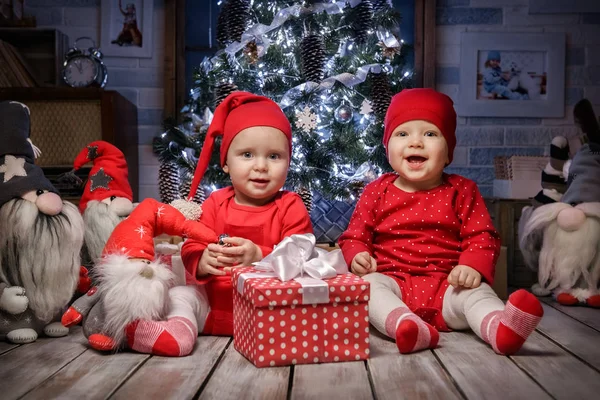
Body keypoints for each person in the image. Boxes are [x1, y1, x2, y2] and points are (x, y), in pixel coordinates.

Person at [338, 88, 543, 355]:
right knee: (368, 288)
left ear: (448, 152)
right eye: (402, 134)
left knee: (477, 295)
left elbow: (483, 236)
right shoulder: (376, 191)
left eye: (430, 134)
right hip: (393, 283)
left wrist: (472, 266)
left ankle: (500, 327)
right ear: (388, 148)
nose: (415, 143)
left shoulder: (462, 190)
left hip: (449, 286)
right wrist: (358, 255)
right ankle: (405, 324)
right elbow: (354, 236)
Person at [125, 91, 313, 355]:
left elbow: (303, 255)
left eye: (274, 156)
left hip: (269, 312)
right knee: (181, 296)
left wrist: (261, 255)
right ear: (225, 162)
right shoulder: (215, 203)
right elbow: (190, 244)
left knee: (300, 306)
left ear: (288, 162)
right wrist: (201, 261)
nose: (261, 166)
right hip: (213, 308)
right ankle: (176, 333)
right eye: (247, 154)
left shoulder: (290, 205)